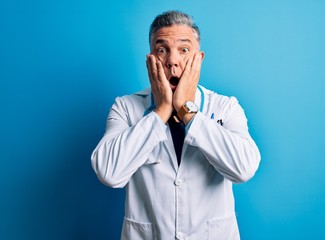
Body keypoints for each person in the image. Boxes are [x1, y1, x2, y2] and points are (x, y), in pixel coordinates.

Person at [91, 10, 261, 240]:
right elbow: (109, 173)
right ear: (151, 60)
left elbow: (244, 168)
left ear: (198, 59)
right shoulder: (125, 108)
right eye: (162, 50)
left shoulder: (225, 107)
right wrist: (160, 112)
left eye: (183, 49)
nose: (172, 60)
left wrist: (187, 110)